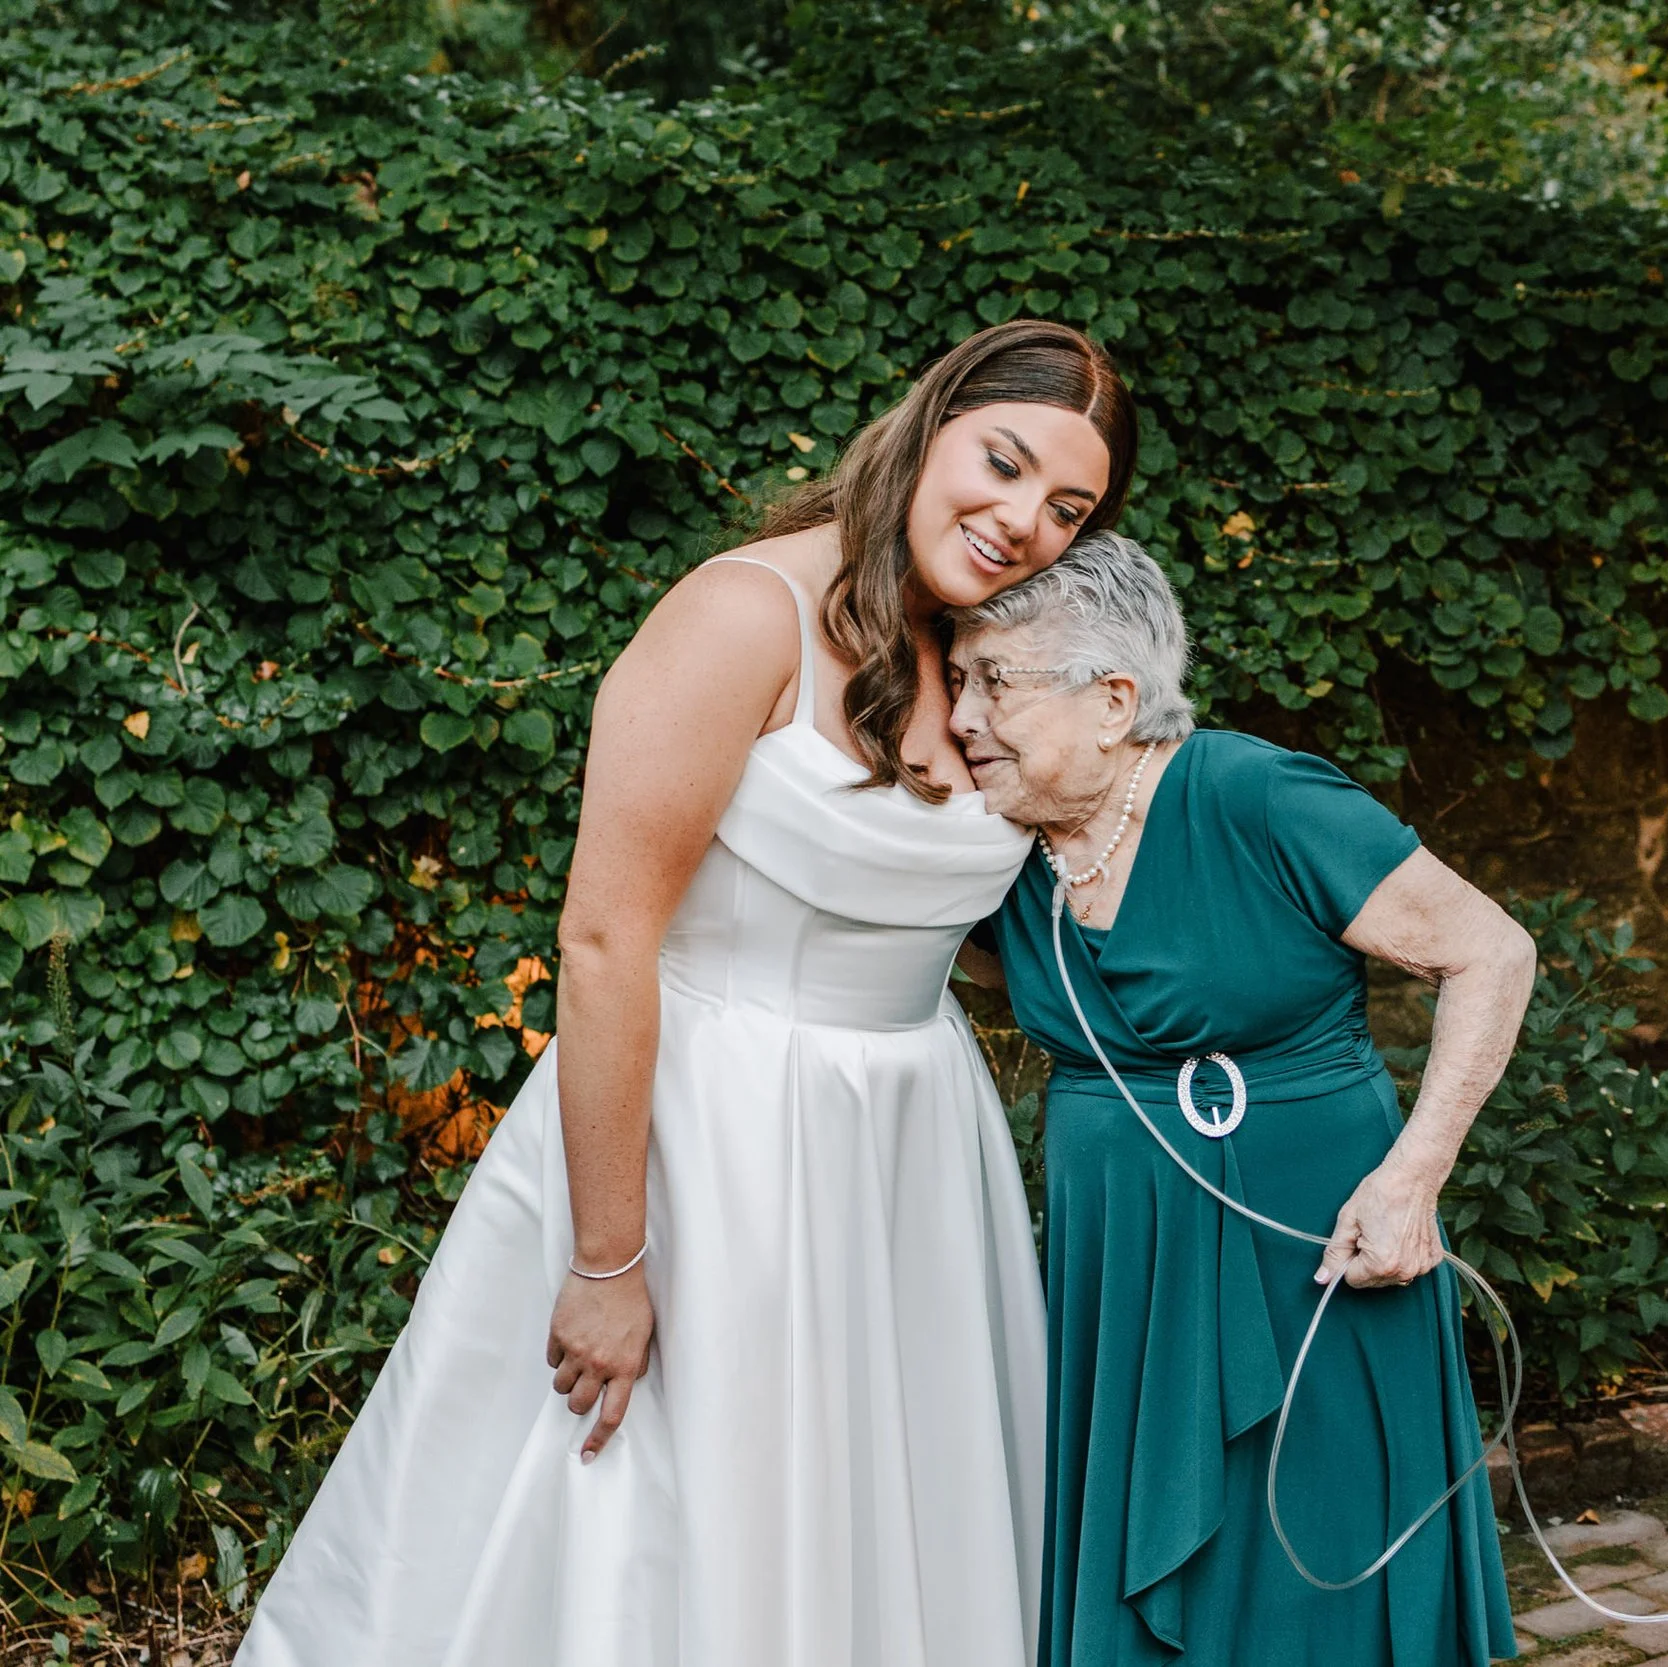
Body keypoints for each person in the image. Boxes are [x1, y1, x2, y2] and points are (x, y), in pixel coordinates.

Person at [237, 319, 1138, 1667]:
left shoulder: (995, 659)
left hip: (911, 1157)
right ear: (931, 423)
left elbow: (986, 919)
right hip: (707, 1141)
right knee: (668, 1529)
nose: (1021, 520)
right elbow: (604, 940)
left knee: (893, 1526)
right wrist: (610, 1255)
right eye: (1003, 464)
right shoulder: (742, 612)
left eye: (1066, 506)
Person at [944, 532, 1525, 1666]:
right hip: (1122, 1255)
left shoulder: (1257, 792)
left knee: (1317, 1534)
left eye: (993, 682)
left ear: (1113, 700)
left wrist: (1412, 1179)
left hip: (1317, 1236)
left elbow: (1490, 952)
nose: (962, 715)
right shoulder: (995, 851)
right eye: (960, 680)